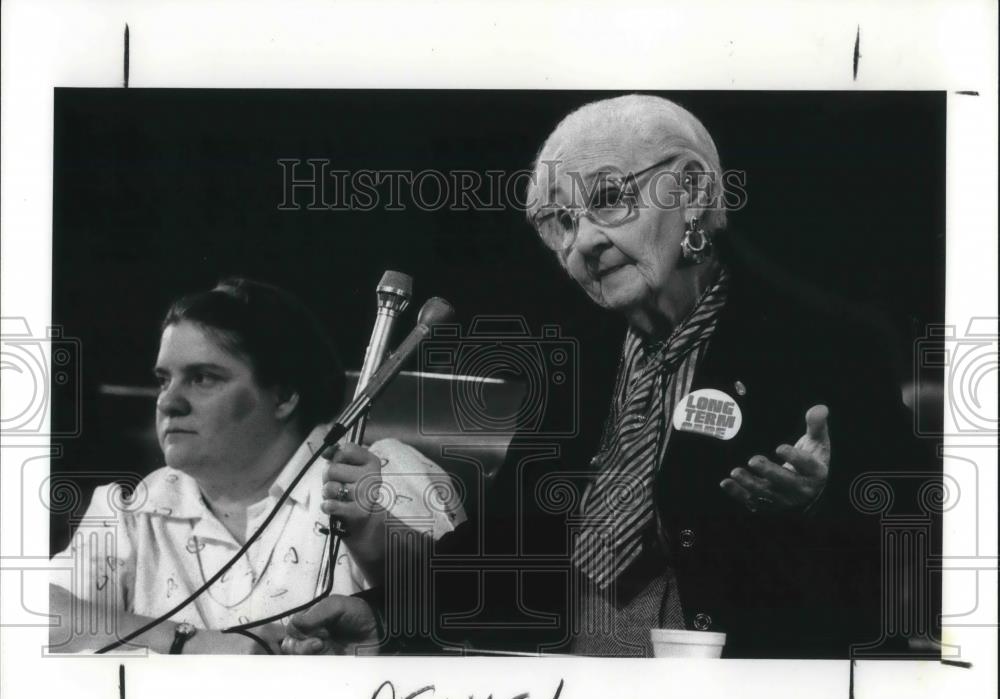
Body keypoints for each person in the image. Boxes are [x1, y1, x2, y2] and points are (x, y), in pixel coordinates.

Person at [285, 95, 929, 658]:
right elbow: (506, 556)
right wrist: (379, 611)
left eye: (609, 199)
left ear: (694, 193)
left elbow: (905, 552)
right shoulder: (576, 359)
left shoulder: (824, 343)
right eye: (560, 222)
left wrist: (817, 504)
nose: (583, 243)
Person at [49, 278, 463, 654]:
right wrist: (193, 645)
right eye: (164, 380)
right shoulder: (133, 509)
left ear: (283, 396)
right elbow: (26, 615)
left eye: (203, 378)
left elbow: (455, 614)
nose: (168, 402)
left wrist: (376, 536)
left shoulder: (381, 474)